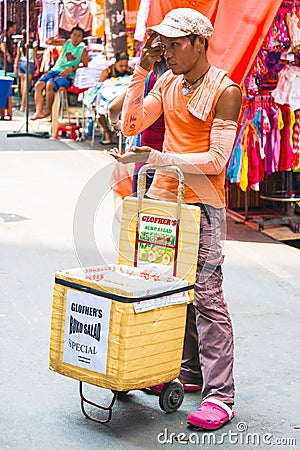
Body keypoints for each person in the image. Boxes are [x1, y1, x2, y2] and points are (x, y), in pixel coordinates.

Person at [110, 8, 242, 430]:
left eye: (173, 43)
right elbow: (130, 122)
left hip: (202, 205)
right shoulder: (167, 80)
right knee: (166, 288)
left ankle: (221, 395)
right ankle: (189, 372)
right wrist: (141, 70)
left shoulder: (226, 90)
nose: (165, 50)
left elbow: (217, 161)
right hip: (163, 200)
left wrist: (158, 158)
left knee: (206, 295)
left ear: (200, 42)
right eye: (162, 43)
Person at [108, 57, 168, 194]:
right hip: (170, 162)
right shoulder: (182, 83)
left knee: (139, 210)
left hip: (143, 158)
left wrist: (116, 124)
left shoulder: (148, 79)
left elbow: (113, 109)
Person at [31, 25, 88, 120]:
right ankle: (38, 111)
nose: (76, 38)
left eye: (79, 36)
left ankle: (47, 110)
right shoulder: (66, 43)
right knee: (38, 85)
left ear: (82, 38)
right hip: (55, 70)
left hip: (67, 75)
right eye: (74, 35)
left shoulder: (82, 50)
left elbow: (85, 65)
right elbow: (51, 42)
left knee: (50, 85)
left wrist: (72, 68)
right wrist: (49, 41)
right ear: (71, 35)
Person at [98, 51, 133, 144]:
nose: (124, 68)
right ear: (115, 63)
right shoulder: (107, 72)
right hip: (109, 96)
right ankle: (108, 132)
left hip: (123, 97)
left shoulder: (130, 71)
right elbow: (100, 86)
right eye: (121, 66)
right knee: (99, 111)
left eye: (125, 66)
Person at [14, 30, 39, 111]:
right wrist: (38, 67)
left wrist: (15, 66)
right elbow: (35, 57)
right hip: (29, 64)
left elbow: (17, 56)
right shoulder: (34, 44)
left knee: (22, 84)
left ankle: (23, 103)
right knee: (26, 86)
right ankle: (24, 105)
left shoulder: (19, 43)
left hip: (21, 63)